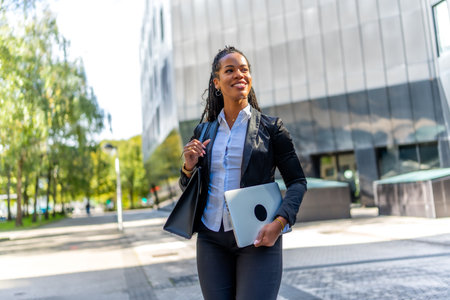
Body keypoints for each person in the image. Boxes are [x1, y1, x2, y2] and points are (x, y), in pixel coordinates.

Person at [180, 46, 307, 300]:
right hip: (211, 240)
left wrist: (279, 223)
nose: (239, 74)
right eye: (230, 70)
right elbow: (188, 187)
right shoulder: (203, 132)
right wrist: (188, 166)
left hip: (258, 238)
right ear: (217, 82)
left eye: (244, 69)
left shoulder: (271, 129)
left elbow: (297, 182)